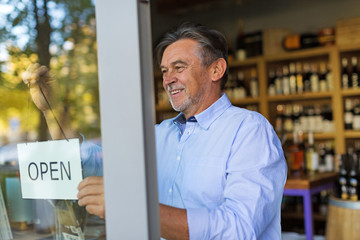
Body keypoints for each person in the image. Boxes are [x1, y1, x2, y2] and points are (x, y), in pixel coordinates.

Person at [23, 22, 287, 239]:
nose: (167, 79)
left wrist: (133, 209)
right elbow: (88, 162)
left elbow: (239, 229)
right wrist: (51, 109)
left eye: (179, 67)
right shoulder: (158, 135)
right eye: (164, 71)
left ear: (216, 69)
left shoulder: (249, 130)